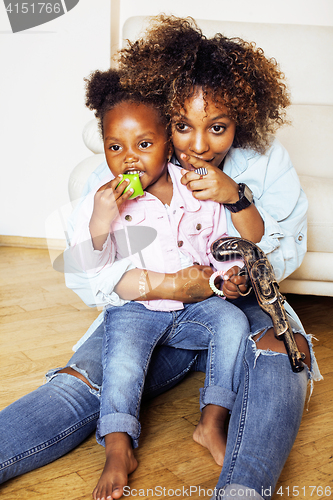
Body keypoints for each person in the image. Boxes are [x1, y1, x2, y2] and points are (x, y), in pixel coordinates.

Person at [0, 15, 321, 500]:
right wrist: (168, 286)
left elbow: (282, 248)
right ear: (163, 120)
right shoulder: (125, 173)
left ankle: (243, 489)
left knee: (280, 353)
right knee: (85, 378)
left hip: (234, 302)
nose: (197, 144)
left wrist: (234, 206)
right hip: (149, 308)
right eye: (180, 127)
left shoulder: (263, 159)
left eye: (217, 127)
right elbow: (91, 274)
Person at [71, 68, 250, 500]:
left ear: (168, 142)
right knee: (123, 364)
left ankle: (212, 421)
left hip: (194, 307)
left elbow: (217, 247)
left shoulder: (194, 190)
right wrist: (100, 220)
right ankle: (118, 446)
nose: (129, 158)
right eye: (116, 147)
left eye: (144, 145)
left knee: (232, 324)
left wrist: (229, 277)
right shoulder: (104, 199)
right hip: (135, 309)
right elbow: (91, 264)